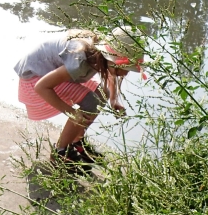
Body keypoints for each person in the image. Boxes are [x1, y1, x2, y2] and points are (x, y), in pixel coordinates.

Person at [14, 29, 141, 169]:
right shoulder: (81, 60)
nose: (125, 73)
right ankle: (60, 152)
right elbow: (41, 87)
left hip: (55, 72)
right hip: (34, 76)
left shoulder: (100, 55)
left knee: (103, 93)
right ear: (109, 57)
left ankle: (77, 141)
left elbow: (110, 77)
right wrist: (71, 113)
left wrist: (113, 101)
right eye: (123, 67)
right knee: (91, 101)